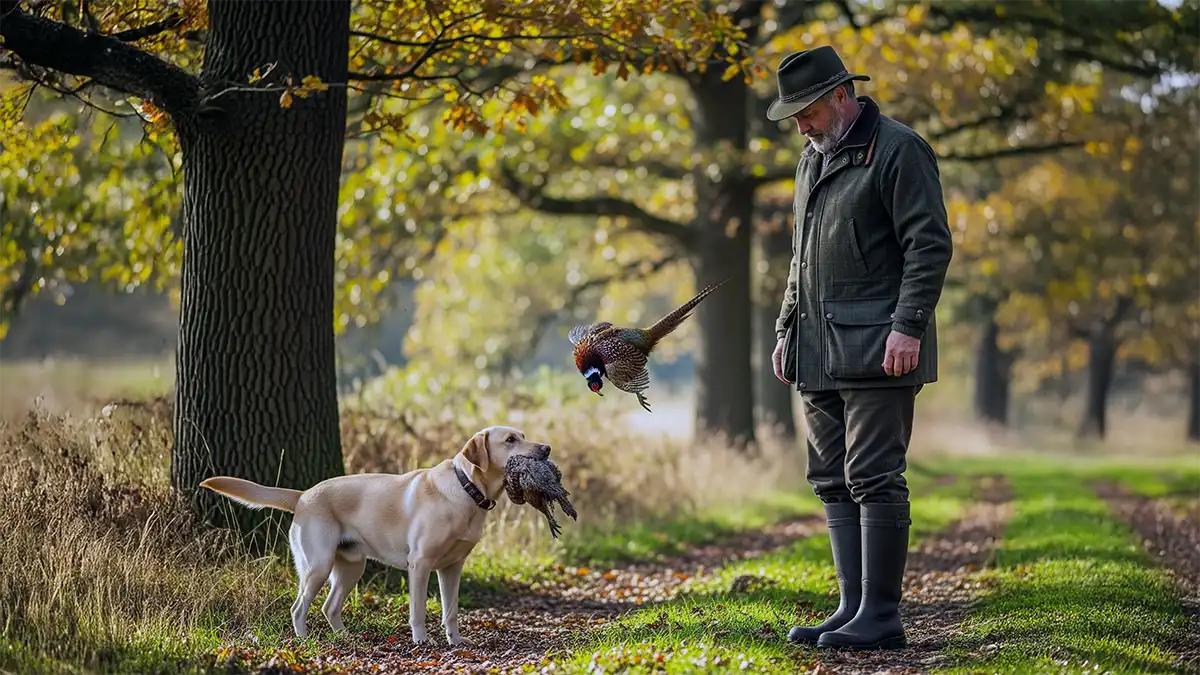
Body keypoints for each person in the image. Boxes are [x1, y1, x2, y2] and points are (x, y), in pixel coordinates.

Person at [765, 45, 954, 651]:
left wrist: (909, 325)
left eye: (808, 111)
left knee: (874, 475)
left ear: (842, 96)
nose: (801, 124)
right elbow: (801, 258)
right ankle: (851, 606)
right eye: (794, 116)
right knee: (830, 477)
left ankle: (881, 614)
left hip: (880, 348)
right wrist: (785, 328)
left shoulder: (899, 150)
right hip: (816, 350)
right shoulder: (809, 159)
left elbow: (929, 246)